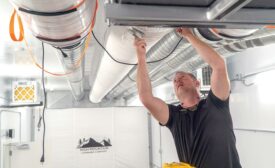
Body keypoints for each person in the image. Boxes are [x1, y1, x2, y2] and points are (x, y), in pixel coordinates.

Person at [134, 28, 242, 168]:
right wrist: (141, 57)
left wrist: (189, 35)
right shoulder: (173, 117)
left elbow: (219, 65)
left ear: (196, 82)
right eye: (174, 81)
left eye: (182, 77)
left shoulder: (216, 103)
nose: (177, 81)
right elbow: (145, 97)